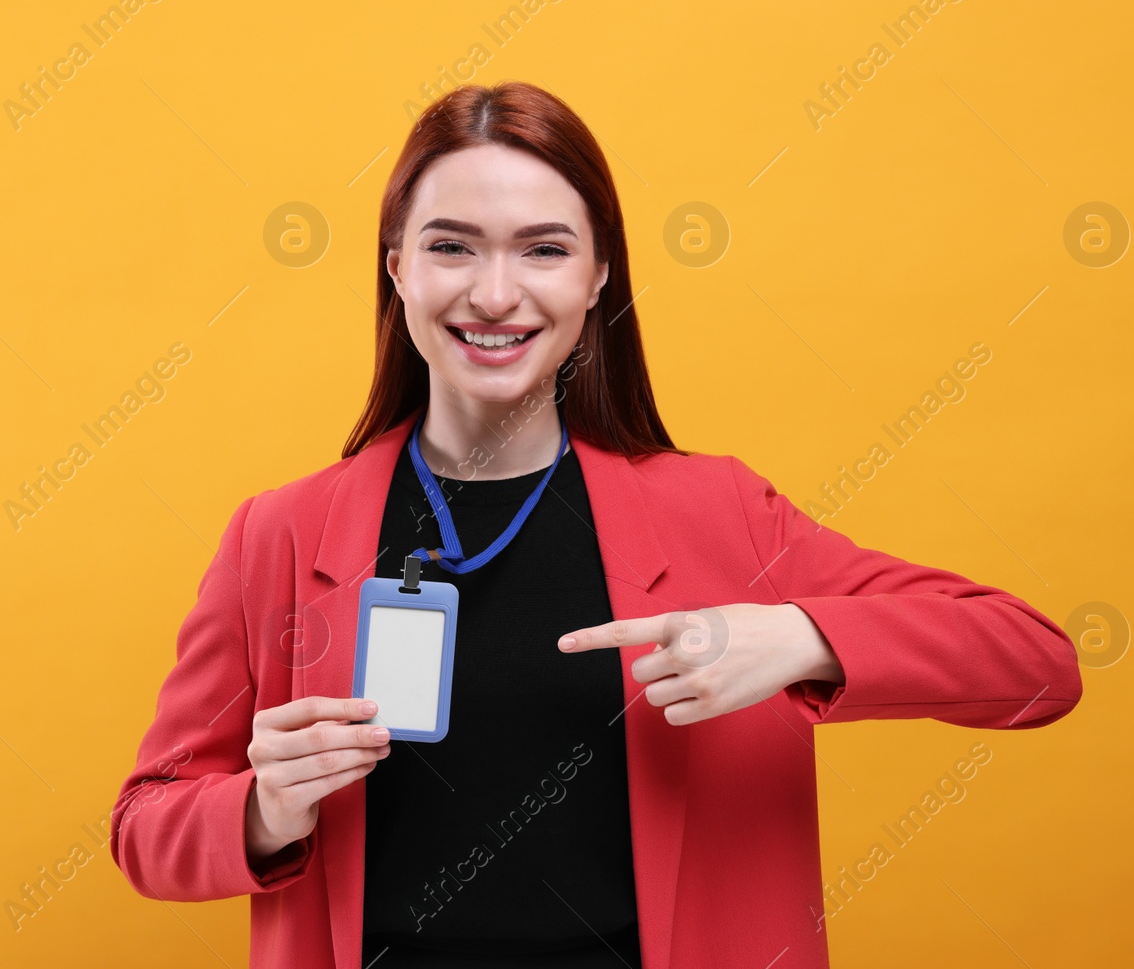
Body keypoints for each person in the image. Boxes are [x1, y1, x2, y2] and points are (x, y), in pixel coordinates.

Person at [108, 81, 1083, 969]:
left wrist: (800, 635)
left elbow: (1037, 664)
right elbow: (144, 825)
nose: (495, 293)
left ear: (599, 277)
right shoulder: (279, 533)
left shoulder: (720, 511)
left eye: (543, 247)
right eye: (452, 245)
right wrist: (263, 807)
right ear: (397, 268)